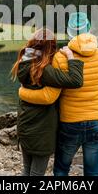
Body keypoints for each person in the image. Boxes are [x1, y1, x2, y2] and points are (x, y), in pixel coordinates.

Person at [19, 13, 98, 176]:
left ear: (69, 33)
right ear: (89, 30)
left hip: (69, 123)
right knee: (93, 172)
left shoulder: (60, 58)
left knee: (61, 170)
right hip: (97, 122)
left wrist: (22, 92)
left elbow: (49, 96)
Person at [12, 28, 84, 176]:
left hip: (25, 125)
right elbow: (76, 80)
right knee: (37, 173)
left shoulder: (25, 61)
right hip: (41, 132)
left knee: (26, 168)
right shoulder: (43, 71)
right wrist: (71, 57)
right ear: (50, 47)